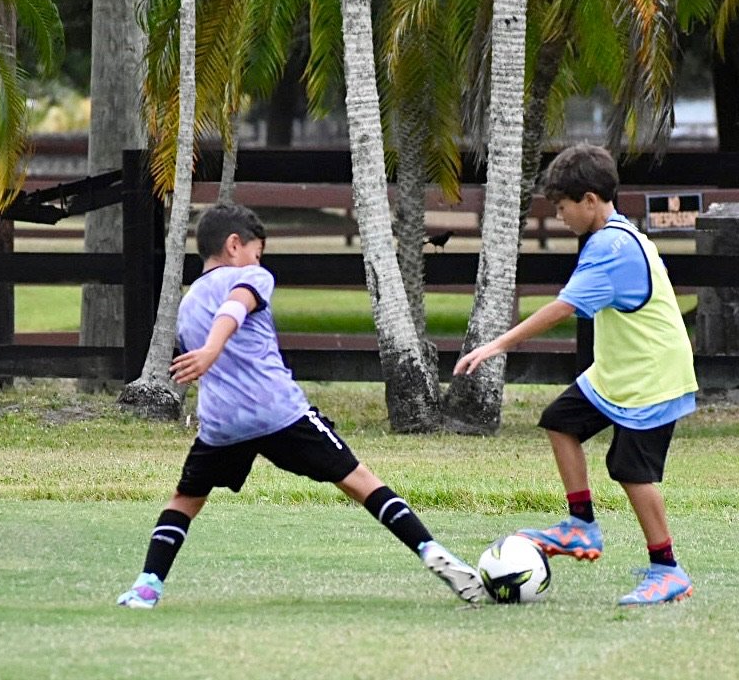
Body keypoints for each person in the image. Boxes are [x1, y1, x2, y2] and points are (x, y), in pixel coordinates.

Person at [117, 203, 484, 608]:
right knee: (358, 480)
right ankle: (431, 550)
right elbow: (234, 307)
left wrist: (206, 351)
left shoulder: (185, 307)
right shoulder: (251, 276)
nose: (259, 260)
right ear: (235, 245)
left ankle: (147, 587)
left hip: (222, 425)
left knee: (185, 502)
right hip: (279, 412)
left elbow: (216, 331)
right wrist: (212, 348)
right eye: (257, 251)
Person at [454, 143, 699, 606]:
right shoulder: (613, 235)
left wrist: (497, 345)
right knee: (561, 421)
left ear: (589, 200)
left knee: (631, 470)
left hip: (652, 379)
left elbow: (564, 307)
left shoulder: (611, 247)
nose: (560, 215)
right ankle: (581, 527)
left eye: (562, 206)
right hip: (618, 373)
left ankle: (668, 571)